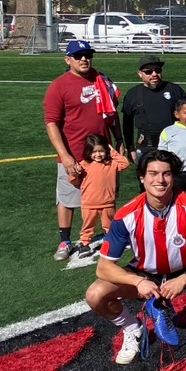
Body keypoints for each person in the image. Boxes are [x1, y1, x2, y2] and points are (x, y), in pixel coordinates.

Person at [85, 150, 186, 364]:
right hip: (145, 274)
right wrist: (138, 282)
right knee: (95, 294)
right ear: (142, 177)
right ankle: (133, 328)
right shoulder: (126, 215)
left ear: (174, 177)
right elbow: (103, 268)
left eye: (166, 174)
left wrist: (184, 279)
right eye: (153, 174)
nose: (160, 180)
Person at [45, 40, 125, 261]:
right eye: (78, 55)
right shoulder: (59, 86)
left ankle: (108, 233)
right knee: (68, 198)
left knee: (107, 196)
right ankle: (65, 240)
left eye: (87, 55)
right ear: (67, 59)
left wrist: (119, 138)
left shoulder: (103, 80)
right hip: (75, 155)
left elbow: (112, 113)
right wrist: (65, 156)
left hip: (103, 154)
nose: (84, 59)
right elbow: (51, 123)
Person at [68, 136, 130, 257]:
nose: (98, 155)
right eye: (94, 152)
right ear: (88, 152)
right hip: (89, 203)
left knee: (110, 225)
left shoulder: (112, 163)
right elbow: (73, 180)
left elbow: (125, 164)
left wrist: (112, 151)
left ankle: (111, 239)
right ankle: (84, 243)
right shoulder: (84, 165)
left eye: (101, 151)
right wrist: (75, 173)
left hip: (108, 202)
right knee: (88, 225)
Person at [122, 55, 186, 165]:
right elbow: (127, 124)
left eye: (157, 70)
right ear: (140, 74)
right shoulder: (133, 94)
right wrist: (130, 148)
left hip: (173, 143)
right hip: (146, 146)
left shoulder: (174, 90)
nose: (154, 74)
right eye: (148, 72)